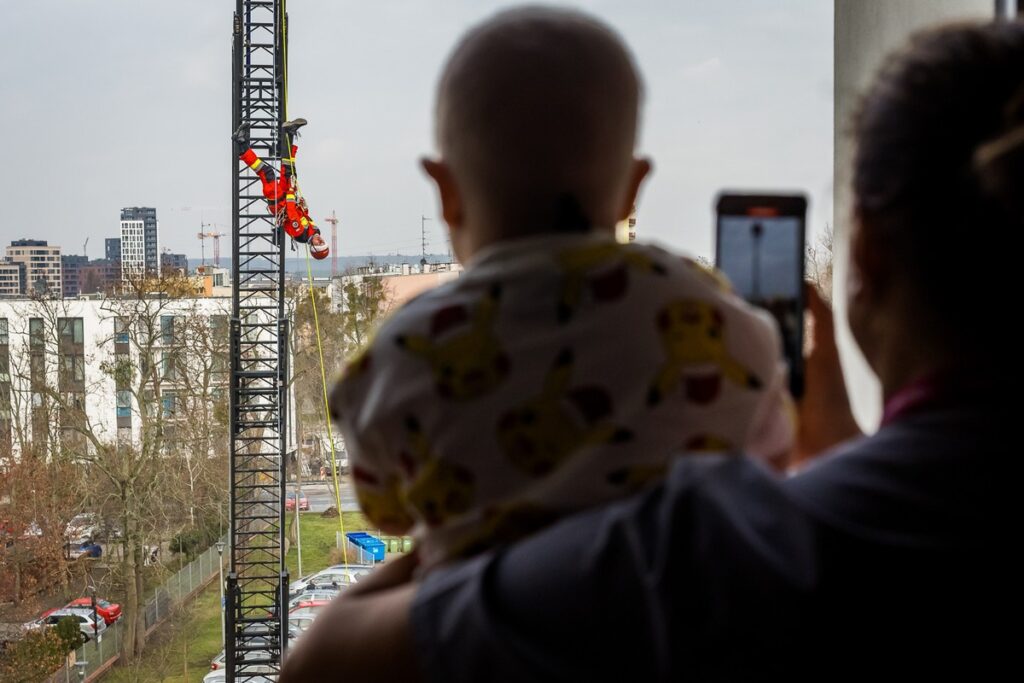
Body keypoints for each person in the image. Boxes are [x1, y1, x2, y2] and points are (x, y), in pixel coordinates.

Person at [281, 16, 1022, 683]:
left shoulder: (702, 559)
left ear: (867, 251)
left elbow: (324, 654)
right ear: (633, 187)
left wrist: (476, 534)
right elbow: (760, 454)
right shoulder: (712, 322)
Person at [328, 7, 794, 571]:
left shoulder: (407, 350)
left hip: (471, 646)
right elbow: (771, 454)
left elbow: (387, 513)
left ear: (446, 190)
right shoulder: (703, 314)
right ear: (632, 189)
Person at [233, 118, 330, 260]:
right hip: (288, 200)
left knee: (266, 172)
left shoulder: (301, 235)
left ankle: (242, 145)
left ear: (313, 247)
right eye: (323, 242)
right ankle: (288, 134)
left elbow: (291, 213)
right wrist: (304, 206)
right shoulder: (315, 230)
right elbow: (304, 216)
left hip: (280, 204)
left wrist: (291, 192)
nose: (320, 240)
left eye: (319, 243)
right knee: (289, 171)